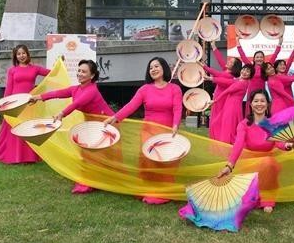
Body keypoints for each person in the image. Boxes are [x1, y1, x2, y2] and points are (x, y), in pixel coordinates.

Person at [104, 57, 182, 205]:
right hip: (149, 131)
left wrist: (176, 125)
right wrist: (114, 118)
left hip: (168, 131)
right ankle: (148, 189)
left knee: (165, 161)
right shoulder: (144, 89)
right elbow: (131, 106)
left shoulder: (174, 89)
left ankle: (164, 191)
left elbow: (177, 109)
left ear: (164, 68)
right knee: (149, 160)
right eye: (150, 67)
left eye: (156, 66)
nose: (153, 69)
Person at [30, 59, 114, 193]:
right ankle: (89, 181)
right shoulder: (76, 88)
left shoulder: (91, 90)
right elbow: (57, 93)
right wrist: (38, 97)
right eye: (79, 70)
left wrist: (62, 114)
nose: (80, 73)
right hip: (91, 124)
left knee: (100, 154)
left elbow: (76, 104)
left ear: (92, 76)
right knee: (88, 153)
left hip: (106, 124)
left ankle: (95, 181)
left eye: (84, 71)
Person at [217, 90, 294, 213]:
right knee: (241, 201)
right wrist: (229, 165)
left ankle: (267, 199)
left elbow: (279, 142)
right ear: (250, 104)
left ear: (267, 104)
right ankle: (253, 195)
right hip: (250, 164)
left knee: (268, 163)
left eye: (262, 101)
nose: (259, 104)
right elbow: (238, 145)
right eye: (256, 101)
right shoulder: (243, 125)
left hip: (268, 164)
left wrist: (289, 145)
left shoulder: (273, 124)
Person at [0, 45, 50, 164]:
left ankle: (29, 157)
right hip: (15, 105)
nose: (21, 56)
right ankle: (6, 156)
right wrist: (5, 105)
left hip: (29, 104)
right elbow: (9, 88)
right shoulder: (12, 70)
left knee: (27, 129)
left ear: (27, 54)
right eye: (18, 54)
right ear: (15, 56)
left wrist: (60, 62)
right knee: (11, 128)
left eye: (23, 53)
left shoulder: (35, 68)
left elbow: (52, 74)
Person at [205, 64, 254, 143]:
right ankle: (226, 143)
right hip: (230, 105)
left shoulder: (242, 83)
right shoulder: (240, 80)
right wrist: (211, 78)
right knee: (220, 124)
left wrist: (215, 100)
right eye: (244, 69)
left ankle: (227, 144)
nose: (244, 72)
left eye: (248, 71)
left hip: (233, 106)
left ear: (250, 75)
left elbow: (227, 90)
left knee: (227, 126)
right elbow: (227, 81)